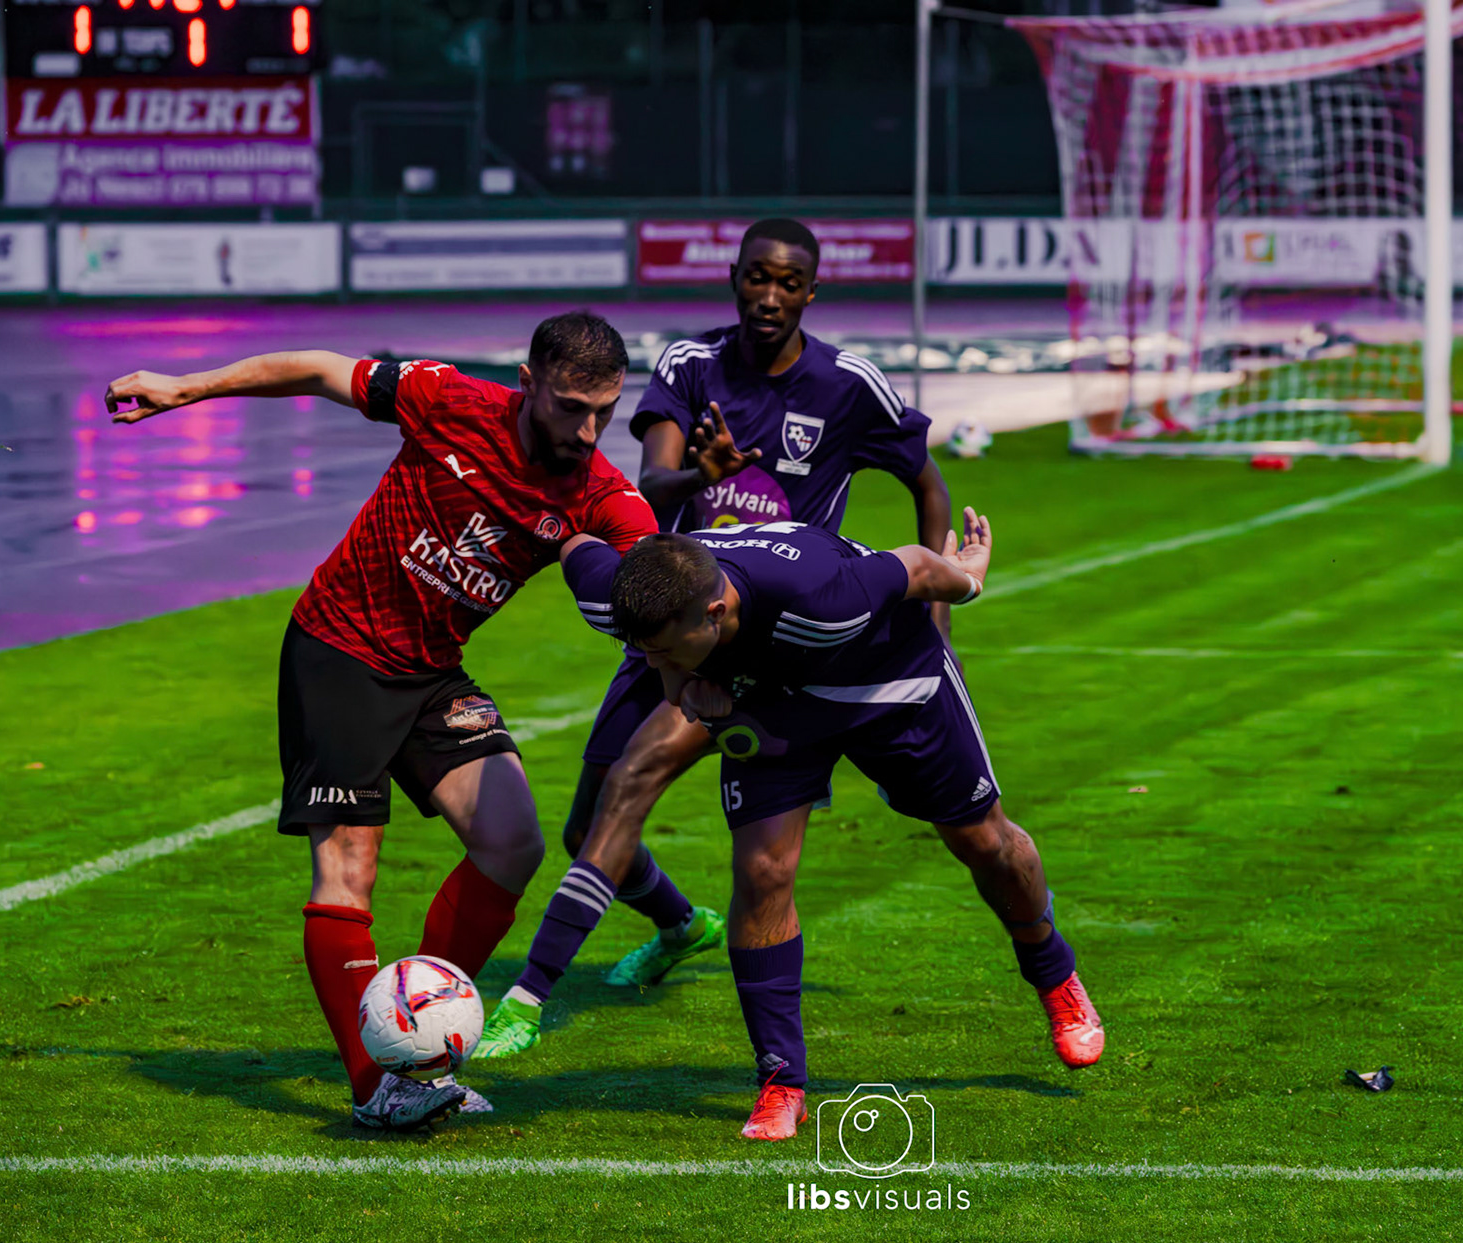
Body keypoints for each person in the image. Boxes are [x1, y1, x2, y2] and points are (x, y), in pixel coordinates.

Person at [103, 313, 656, 1131]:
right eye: (572, 405)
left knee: (512, 843)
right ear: (530, 379)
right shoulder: (448, 399)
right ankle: (376, 1086)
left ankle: (417, 1045)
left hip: (432, 672)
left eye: (604, 411)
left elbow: (654, 576)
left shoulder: (599, 490)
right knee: (349, 866)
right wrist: (188, 387)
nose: (587, 428)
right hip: (339, 650)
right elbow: (322, 369)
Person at [473, 217, 954, 1058]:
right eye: (755, 278)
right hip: (676, 624)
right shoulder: (691, 367)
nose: (769, 297)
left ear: (812, 292)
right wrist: (706, 475)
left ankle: (531, 998)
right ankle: (676, 924)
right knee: (588, 833)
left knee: (661, 795)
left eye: (787, 283)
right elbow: (652, 486)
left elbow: (926, 481)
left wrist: (939, 626)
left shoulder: (849, 384)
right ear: (733, 277)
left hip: (776, 643)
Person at [537, 513, 1103, 1141]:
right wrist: (683, 677)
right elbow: (576, 541)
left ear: (717, 613)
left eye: (668, 649)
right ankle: (782, 1082)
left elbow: (914, 565)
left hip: (888, 680)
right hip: (773, 699)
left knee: (983, 841)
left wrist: (968, 580)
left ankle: (1053, 972)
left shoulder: (819, 598)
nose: (651, 661)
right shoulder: (625, 597)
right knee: (762, 870)